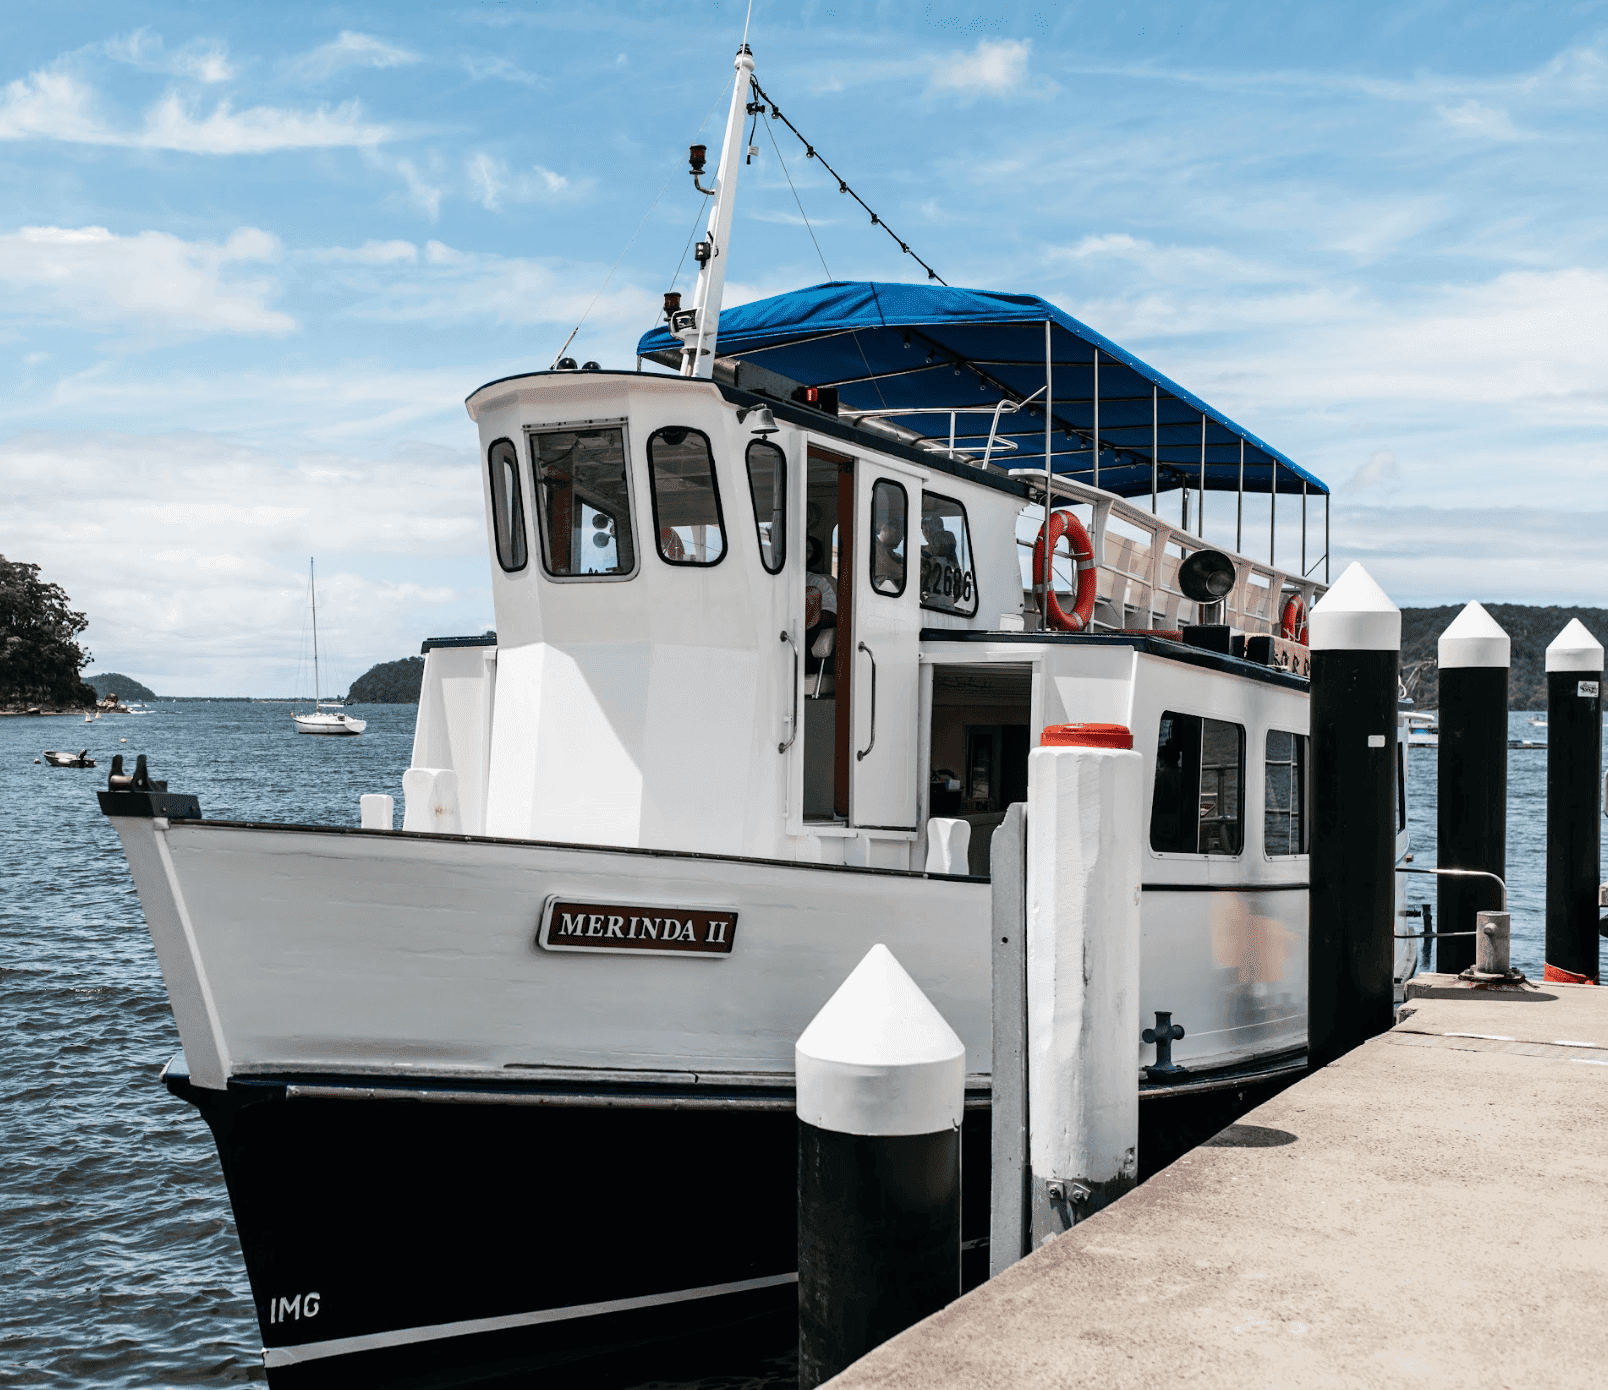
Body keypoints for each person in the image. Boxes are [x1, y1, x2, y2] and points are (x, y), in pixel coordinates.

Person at [804, 535, 837, 682]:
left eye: (808, 551)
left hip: (804, 638)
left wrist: (805, 614)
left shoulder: (819, 583)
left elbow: (831, 615)